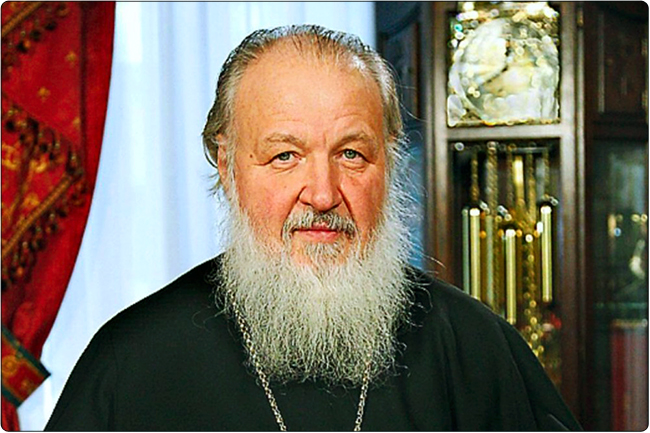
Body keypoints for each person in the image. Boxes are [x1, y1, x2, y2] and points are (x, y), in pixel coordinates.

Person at [45, 25, 581, 431]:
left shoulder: (474, 349)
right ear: (227, 167)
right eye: (285, 156)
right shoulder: (133, 361)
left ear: (389, 165)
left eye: (352, 154)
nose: (323, 195)